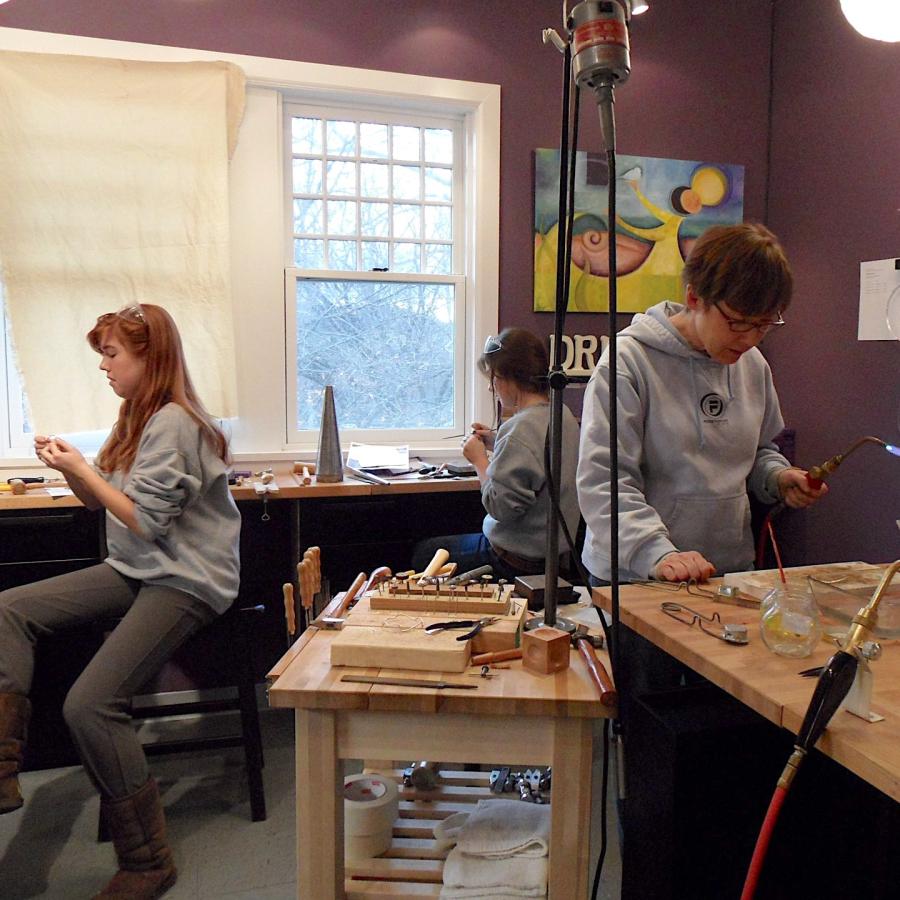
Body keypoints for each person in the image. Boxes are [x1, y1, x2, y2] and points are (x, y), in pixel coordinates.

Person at [0, 303, 240, 900]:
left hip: (186, 579)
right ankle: (2, 767)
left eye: (112, 354)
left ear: (148, 357)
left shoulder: (176, 424)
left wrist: (84, 467)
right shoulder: (137, 415)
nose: (104, 367)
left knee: (90, 705)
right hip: (139, 566)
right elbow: (98, 504)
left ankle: (147, 860)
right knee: (8, 609)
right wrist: (71, 470)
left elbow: (148, 522)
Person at [577, 222, 827, 589]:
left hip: (726, 572)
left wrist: (777, 477)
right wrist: (657, 553)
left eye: (764, 325)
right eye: (738, 322)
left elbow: (759, 451)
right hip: (637, 576)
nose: (750, 338)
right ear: (694, 298)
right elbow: (605, 482)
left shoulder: (753, 365)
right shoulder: (628, 362)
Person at [411, 327, 580, 583]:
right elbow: (538, 457)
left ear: (507, 377)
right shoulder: (562, 415)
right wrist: (495, 442)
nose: (492, 388)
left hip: (514, 562)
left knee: (422, 554)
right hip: (553, 557)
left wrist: (479, 460)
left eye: (493, 378)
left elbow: (500, 507)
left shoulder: (519, 429)